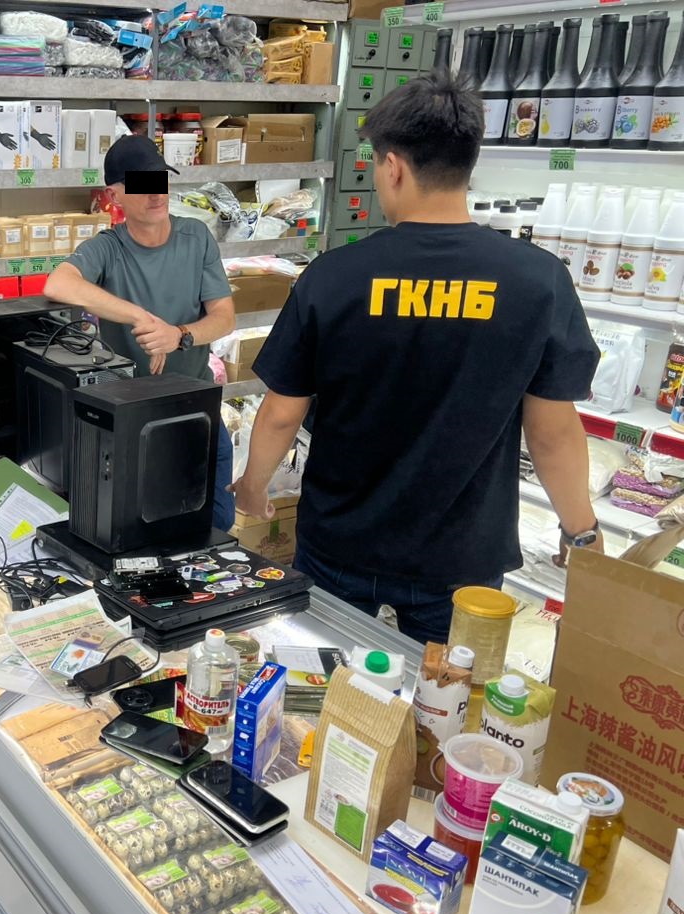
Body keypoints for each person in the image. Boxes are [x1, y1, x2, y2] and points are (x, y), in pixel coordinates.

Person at [231, 73, 602, 643]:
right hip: (461, 555)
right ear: (468, 162)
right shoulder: (539, 280)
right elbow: (552, 431)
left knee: (322, 680)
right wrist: (580, 531)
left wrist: (254, 488)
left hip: (341, 540)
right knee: (448, 692)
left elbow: (282, 412)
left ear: (393, 166)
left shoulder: (334, 276)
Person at [44, 135, 238, 530]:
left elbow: (224, 317)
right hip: (132, 415)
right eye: (141, 184)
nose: (156, 194)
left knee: (215, 527)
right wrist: (139, 316)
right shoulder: (108, 248)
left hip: (196, 404)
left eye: (160, 180)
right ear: (114, 195)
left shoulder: (196, 237)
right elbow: (58, 283)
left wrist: (178, 335)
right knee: (141, 529)